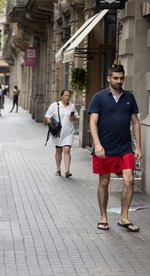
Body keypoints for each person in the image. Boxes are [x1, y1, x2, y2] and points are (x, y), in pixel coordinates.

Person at [88, 64, 142, 232]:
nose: (119, 81)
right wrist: (97, 144)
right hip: (104, 148)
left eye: (121, 78)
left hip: (125, 147)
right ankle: (103, 217)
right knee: (104, 182)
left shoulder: (129, 97)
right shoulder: (99, 97)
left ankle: (124, 217)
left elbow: (136, 122)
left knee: (129, 180)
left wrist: (138, 147)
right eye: (116, 78)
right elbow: (93, 122)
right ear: (109, 78)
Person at [45, 89, 79, 178]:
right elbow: (47, 116)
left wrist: (74, 118)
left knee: (67, 149)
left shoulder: (72, 106)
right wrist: (51, 125)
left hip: (69, 132)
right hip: (58, 132)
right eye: (65, 95)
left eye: (69, 96)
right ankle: (58, 169)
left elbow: (76, 117)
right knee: (58, 150)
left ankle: (67, 171)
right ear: (61, 96)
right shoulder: (55, 105)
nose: (67, 97)